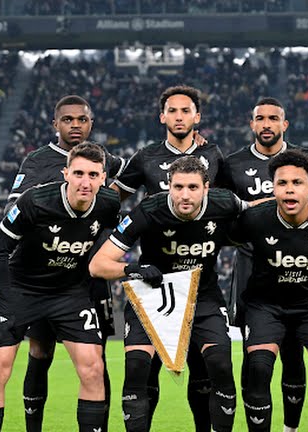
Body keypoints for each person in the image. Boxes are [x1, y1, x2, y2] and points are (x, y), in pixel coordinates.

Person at [90, 156, 242, 432]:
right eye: (178, 187)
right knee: (136, 368)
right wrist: (133, 269)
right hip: (151, 297)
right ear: (168, 186)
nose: (185, 195)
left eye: (193, 187)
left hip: (203, 297)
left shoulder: (225, 203)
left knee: (220, 364)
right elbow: (98, 264)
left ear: (206, 188)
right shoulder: (149, 210)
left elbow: (260, 212)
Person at [0, 143, 121, 432]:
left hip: (69, 292)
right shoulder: (35, 200)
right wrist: (6, 306)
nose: (85, 182)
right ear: (65, 173)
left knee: (93, 368)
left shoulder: (109, 204)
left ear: (103, 178)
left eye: (93, 175)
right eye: (78, 173)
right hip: (22, 289)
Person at [7, 94, 125, 432]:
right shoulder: (37, 161)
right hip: (47, 274)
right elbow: (13, 210)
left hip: (89, 276)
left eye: (82, 119)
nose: (75, 125)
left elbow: (135, 175)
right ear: (55, 124)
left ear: (91, 123)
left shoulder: (104, 159)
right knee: (40, 352)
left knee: (96, 359)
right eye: (68, 119)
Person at [110, 85, 224, 431]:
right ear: (162, 117)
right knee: (145, 370)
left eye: (185, 111)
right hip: (156, 279)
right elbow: (111, 198)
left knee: (203, 371)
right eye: (172, 111)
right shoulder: (146, 157)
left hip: (199, 279)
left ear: (197, 117)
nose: (179, 117)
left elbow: (233, 205)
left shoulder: (214, 155)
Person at [216, 97, 308, 432]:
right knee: (253, 356)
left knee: (293, 352)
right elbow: (221, 210)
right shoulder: (232, 164)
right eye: (261, 118)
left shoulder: (304, 160)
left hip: (295, 267)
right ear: (252, 124)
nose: (267, 124)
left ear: (285, 124)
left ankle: (290, 428)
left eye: (274, 118)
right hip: (250, 268)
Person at [228, 150, 308, 432]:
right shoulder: (255, 218)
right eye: (282, 183)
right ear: (273, 187)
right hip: (265, 305)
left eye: (297, 182)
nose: (289, 189)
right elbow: (216, 234)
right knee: (258, 367)